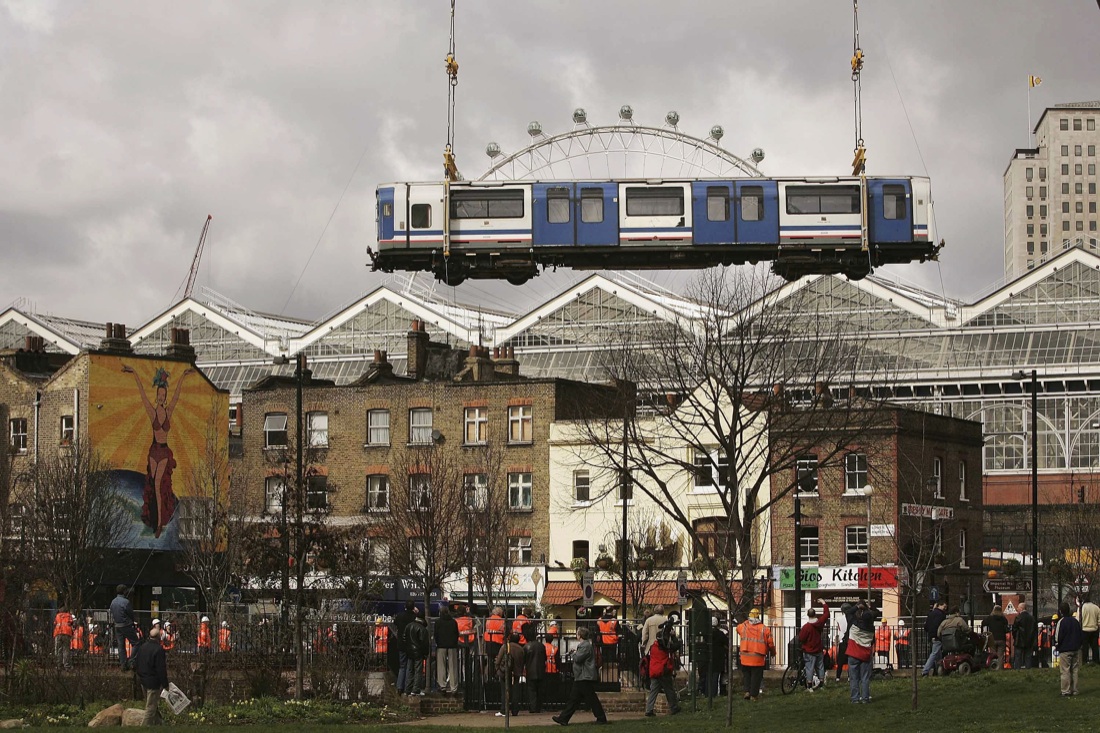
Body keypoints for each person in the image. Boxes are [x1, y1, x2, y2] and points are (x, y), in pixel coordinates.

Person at [122, 364, 193, 538]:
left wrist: (183, 375)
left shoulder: (168, 412)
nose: (161, 397)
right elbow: (142, 395)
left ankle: (160, 523)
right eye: (159, 395)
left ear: (165, 397)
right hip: (154, 451)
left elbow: (177, 395)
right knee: (153, 486)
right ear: (156, 397)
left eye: (163, 395)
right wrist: (135, 373)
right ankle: (154, 519)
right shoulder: (152, 413)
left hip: (163, 452)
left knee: (158, 484)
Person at [553, 626, 608, 726]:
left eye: (577, 633)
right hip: (581, 676)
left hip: (584, 676)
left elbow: (578, 658)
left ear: (580, 635)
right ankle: (564, 718)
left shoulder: (585, 645)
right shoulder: (585, 645)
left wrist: (573, 653)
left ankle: (601, 718)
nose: (576, 635)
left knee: (590, 699)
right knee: (574, 699)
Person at [645, 618, 682, 716]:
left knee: (653, 691)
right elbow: (677, 645)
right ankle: (674, 707)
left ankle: (649, 710)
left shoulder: (653, 646)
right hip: (663, 670)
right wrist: (673, 637)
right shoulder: (665, 647)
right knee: (669, 690)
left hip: (654, 671)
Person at [736, 608, 774, 702]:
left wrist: (746, 621)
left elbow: (737, 628)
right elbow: (770, 643)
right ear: (758, 616)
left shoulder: (744, 626)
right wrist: (773, 652)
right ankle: (753, 695)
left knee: (747, 676)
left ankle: (746, 691)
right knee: (756, 677)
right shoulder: (764, 628)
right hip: (758, 657)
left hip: (745, 657)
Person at [135, 626, 169, 726]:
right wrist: (165, 684)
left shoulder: (143, 647)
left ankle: (160, 724)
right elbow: (161, 669)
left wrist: (140, 676)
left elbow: (138, 663)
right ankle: (144, 727)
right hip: (153, 682)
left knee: (153, 705)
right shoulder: (159, 650)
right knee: (151, 707)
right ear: (159, 637)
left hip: (143, 680)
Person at [845, 601, 878, 704]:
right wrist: (869, 608)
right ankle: (865, 698)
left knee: (854, 678)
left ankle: (855, 699)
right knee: (865, 678)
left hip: (853, 653)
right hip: (865, 654)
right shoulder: (871, 629)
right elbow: (877, 612)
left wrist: (857, 606)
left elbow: (848, 612)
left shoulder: (853, 624)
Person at [798, 602, 830, 691]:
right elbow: (826, 614)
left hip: (809, 651)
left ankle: (809, 685)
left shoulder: (806, 627)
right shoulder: (819, 623)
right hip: (819, 649)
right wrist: (824, 603)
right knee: (820, 666)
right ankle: (821, 684)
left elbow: (801, 638)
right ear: (815, 614)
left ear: (808, 615)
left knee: (809, 668)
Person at [1055, 601, 1083, 696]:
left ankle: (1065, 691)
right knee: (1075, 670)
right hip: (1075, 648)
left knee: (1065, 670)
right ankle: (1075, 690)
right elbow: (1080, 634)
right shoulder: (1075, 621)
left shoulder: (1061, 622)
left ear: (1061, 611)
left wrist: (1057, 645)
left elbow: (1058, 636)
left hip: (1065, 649)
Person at [110, 585, 140, 671]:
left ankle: (123, 664)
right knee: (136, 643)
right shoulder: (126, 602)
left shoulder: (113, 602)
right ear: (124, 591)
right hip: (126, 625)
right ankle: (131, 661)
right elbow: (130, 613)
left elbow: (112, 612)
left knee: (121, 645)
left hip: (117, 625)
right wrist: (133, 622)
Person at [495, 633, 525, 717]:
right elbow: (522, 662)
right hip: (516, 672)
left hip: (505, 672)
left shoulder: (505, 647)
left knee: (504, 691)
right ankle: (515, 710)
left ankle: (504, 710)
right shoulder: (521, 649)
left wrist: (498, 669)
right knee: (515, 691)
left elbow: (498, 660)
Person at [434, 607, 460, 694]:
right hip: (452, 646)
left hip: (441, 646)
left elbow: (436, 634)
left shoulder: (438, 622)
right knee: (453, 666)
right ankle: (454, 687)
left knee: (441, 666)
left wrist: (438, 642)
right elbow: (456, 634)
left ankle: (442, 686)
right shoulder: (453, 622)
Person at [404, 614, 430, 696]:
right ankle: (416, 690)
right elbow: (424, 643)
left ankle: (407, 689)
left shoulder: (408, 626)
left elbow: (404, 637)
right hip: (418, 652)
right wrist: (425, 654)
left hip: (409, 651)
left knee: (410, 670)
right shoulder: (422, 629)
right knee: (418, 671)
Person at [394, 601, 417, 693]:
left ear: (405, 607)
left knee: (402, 666)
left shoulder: (400, 616)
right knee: (410, 667)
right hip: (411, 644)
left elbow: (395, 623)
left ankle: (399, 686)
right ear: (413, 608)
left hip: (401, 644)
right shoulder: (414, 617)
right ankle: (408, 687)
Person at [921, 600, 947, 677]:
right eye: (944, 607)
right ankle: (925, 671)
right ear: (940, 605)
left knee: (938, 655)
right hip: (937, 636)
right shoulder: (941, 615)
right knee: (934, 654)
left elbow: (926, 626)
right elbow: (940, 626)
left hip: (930, 636)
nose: (945, 608)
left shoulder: (930, 614)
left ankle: (938, 670)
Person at [523, 630, 547, 713]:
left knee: (531, 690)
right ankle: (538, 707)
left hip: (530, 671)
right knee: (539, 690)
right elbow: (545, 658)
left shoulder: (526, 647)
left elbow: (524, 660)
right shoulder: (541, 646)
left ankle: (533, 708)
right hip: (540, 670)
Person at [1011, 601, 1037, 670]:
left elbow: (1014, 629)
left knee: (1018, 657)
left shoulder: (1018, 618)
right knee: (1028, 657)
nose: (1017, 609)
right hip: (1029, 641)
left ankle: (1017, 671)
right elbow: (1034, 630)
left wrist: (1015, 637)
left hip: (1019, 640)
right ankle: (1028, 671)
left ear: (1021, 608)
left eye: (1018, 607)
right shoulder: (1032, 618)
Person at [707, 617, 729, 697]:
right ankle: (716, 692)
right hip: (719, 657)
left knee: (709, 675)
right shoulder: (720, 634)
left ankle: (708, 692)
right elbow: (727, 643)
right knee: (717, 675)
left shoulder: (706, 634)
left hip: (708, 657)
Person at [983, 605, 1009, 670]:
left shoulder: (990, 618)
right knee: (1001, 656)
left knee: (993, 655)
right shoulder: (1003, 619)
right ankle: (1000, 669)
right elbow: (1006, 626)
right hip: (1001, 639)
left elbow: (983, 623)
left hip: (992, 638)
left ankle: (994, 668)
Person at [484, 606, 506, 676]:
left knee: (489, 660)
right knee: (498, 660)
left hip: (488, 641)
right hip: (498, 643)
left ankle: (489, 676)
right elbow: (504, 631)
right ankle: (497, 675)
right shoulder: (501, 621)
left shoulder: (488, 620)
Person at [1078, 597, 1100, 664]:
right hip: (1094, 629)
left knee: (1085, 647)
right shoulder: (1096, 608)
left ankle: (1084, 661)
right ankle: (1096, 661)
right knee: (1095, 647)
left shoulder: (1081, 608)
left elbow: (1078, 620)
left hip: (1084, 630)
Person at [53, 605, 74, 670]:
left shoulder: (57, 616)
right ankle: (67, 666)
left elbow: (54, 623)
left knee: (58, 650)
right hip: (67, 633)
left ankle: (58, 665)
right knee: (66, 650)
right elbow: (71, 623)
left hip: (58, 633)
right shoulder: (69, 616)